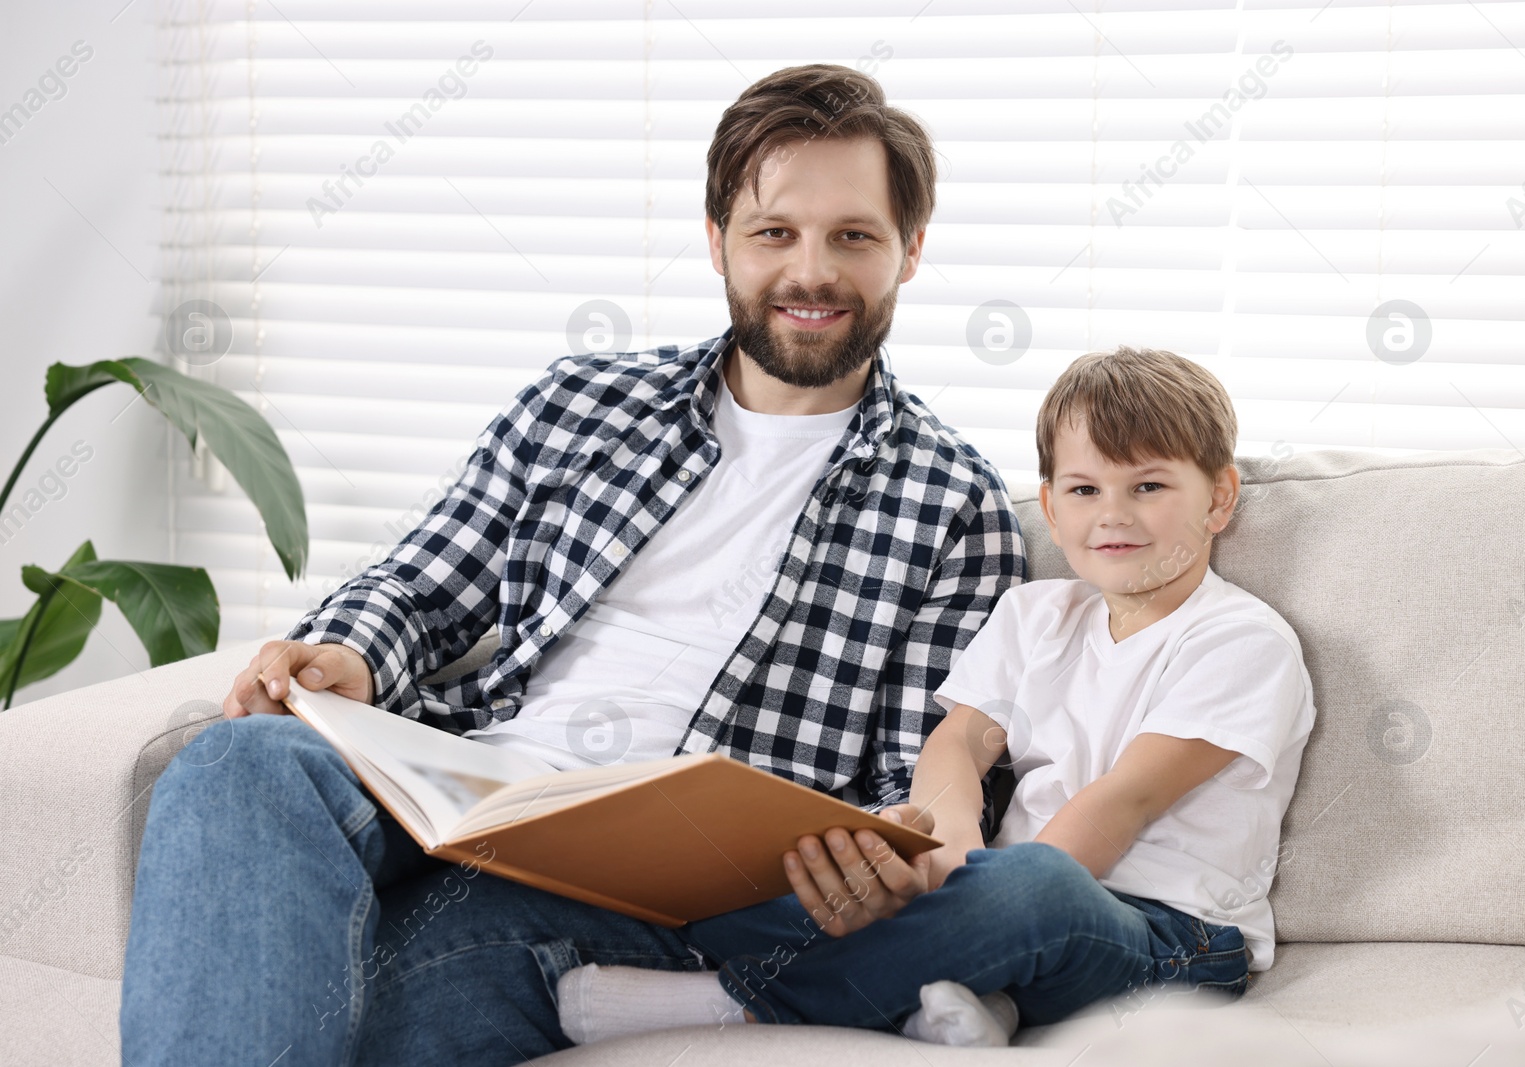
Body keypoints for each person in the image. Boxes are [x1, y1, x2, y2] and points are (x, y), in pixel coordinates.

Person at [118, 64, 1026, 1065]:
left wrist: (881, 860)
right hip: (472, 788)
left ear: (910, 251)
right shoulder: (579, 404)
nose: (810, 271)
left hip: (655, 895)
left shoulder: (953, 504)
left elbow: (917, 771)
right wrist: (350, 654)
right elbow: (419, 586)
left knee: (349, 1009)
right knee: (234, 759)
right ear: (719, 240)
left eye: (852, 235)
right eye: (775, 232)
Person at [553, 345, 1317, 1048]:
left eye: (1147, 486)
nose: (1112, 513)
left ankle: (738, 1003)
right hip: (1010, 899)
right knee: (776, 868)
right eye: (1085, 489)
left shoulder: (1241, 641)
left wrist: (967, 888)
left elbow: (1124, 802)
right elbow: (958, 742)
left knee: (1034, 887)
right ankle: (969, 992)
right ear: (1051, 508)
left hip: (1171, 934)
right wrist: (944, 853)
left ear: (1219, 499)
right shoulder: (1036, 613)